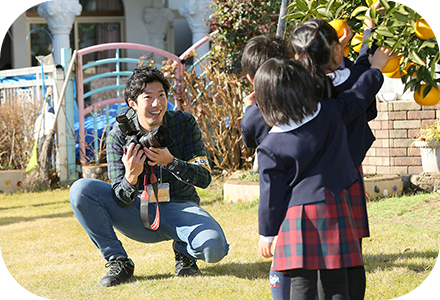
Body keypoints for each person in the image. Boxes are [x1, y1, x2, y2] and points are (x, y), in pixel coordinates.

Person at [69, 66, 229, 287]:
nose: (157, 104)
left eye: (161, 96)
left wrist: (171, 162)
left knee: (215, 249)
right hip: (137, 211)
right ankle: (119, 261)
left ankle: (184, 253)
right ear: (132, 104)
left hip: (180, 207)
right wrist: (131, 178)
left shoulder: (183, 123)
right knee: (81, 190)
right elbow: (120, 197)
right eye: (148, 98)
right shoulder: (119, 135)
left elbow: (204, 178)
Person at [256, 54, 389, 299]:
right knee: (336, 282)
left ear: (265, 99)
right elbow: (358, 96)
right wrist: (376, 68)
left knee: (302, 285)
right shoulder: (329, 112)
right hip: (335, 205)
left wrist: (267, 234)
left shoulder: (270, 145)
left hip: (296, 215)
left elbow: (271, 196)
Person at [289, 4, 383, 297]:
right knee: (349, 255)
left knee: (311, 259)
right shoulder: (350, 84)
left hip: (305, 182)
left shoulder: (297, 85)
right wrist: (371, 39)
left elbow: (352, 72)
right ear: (338, 52)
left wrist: (365, 35)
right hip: (344, 175)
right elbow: (360, 80)